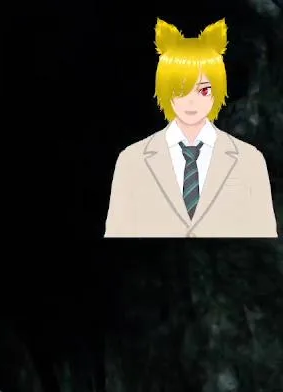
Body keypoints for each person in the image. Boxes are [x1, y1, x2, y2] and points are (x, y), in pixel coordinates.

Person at [104, 20, 277, 238]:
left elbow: (262, 232)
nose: (191, 101)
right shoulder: (131, 160)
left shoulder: (250, 161)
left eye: (203, 91)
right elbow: (118, 234)